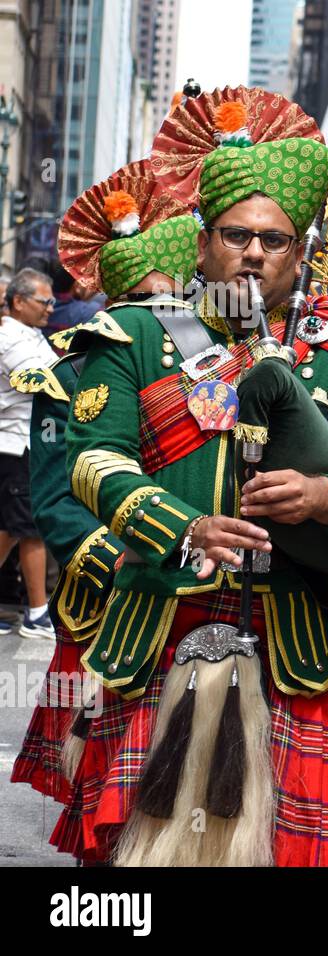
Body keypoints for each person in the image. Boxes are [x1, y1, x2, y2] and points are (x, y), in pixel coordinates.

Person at [59, 87, 328, 866]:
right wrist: (187, 528)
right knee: (124, 861)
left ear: (298, 253)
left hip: (292, 642)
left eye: (274, 241)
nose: (252, 252)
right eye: (235, 234)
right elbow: (93, 460)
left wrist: (323, 497)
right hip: (154, 627)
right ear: (202, 244)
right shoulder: (137, 335)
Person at [8, 160, 194, 820]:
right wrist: (110, 555)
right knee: (105, 781)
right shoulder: (70, 371)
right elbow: (54, 499)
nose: (160, 312)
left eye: (169, 297)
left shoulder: (208, 365)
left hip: (184, 587)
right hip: (104, 596)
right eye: (145, 298)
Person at [0, 267, 59, 639]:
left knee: (14, 528)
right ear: (19, 302)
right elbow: (43, 380)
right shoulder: (9, 337)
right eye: (44, 301)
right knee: (27, 529)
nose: (51, 308)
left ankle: (34, 609)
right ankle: (37, 613)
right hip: (13, 444)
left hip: (26, 443)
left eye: (53, 301)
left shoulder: (32, 334)